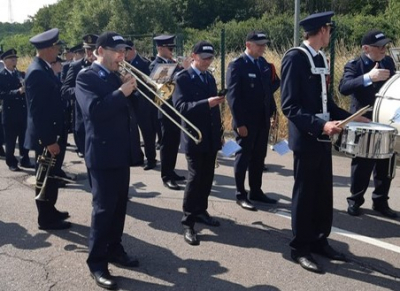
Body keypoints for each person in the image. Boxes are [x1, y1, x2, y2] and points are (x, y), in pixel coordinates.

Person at [280, 11, 369, 274]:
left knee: (322, 194)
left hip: (322, 138)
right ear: (322, 30)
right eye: (329, 29)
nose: (330, 34)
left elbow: (325, 103)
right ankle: (300, 249)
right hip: (307, 138)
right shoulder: (295, 58)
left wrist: (351, 117)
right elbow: (289, 105)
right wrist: (321, 125)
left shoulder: (320, 58)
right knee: (305, 195)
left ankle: (320, 240)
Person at [75, 31, 142, 290]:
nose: (121, 56)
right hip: (102, 154)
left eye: (124, 51)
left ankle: (115, 248)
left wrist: (132, 90)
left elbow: (131, 110)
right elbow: (94, 111)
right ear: (100, 51)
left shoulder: (116, 76)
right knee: (103, 210)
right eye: (117, 51)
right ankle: (97, 263)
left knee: (118, 207)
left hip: (120, 151)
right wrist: (122, 92)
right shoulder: (86, 77)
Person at [339, 29, 397, 219]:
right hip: (364, 120)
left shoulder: (388, 61)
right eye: (379, 47)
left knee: (386, 161)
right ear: (366, 48)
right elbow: (344, 88)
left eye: (385, 46)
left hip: (385, 119)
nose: (383, 50)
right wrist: (368, 78)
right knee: (362, 163)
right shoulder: (355, 65)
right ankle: (355, 201)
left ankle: (380, 201)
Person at [173, 41, 224, 246]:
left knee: (207, 176)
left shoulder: (209, 77)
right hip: (194, 136)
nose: (207, 62)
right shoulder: (183, 78)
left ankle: (201, 210)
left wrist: (220, 132)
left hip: (210, 136)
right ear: (193, 56)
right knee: (194, 178)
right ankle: (188, 222)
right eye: (204, 58)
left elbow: (216, 110)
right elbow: (180, 107)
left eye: (210, 58)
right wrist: (206, 103)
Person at [226, 31, 280, 211]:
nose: (263, 48)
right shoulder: (237, 65)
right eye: (259, 45)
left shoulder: (263, 64)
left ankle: (255, 191)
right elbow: (233, 97)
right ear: (248, 45)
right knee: (243, 157)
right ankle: (241, 194)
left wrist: (271, 113)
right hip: (246, 122)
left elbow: (269, 90)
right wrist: (240, 123)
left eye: (264, 44)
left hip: (262, 119)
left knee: (259, 157)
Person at [24, 28, 71, 230]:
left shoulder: (43, 67)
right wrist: (49, 140)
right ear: (47, 49)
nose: (58, 50)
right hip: (47, 136)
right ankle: (45, 218)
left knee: (52, 176)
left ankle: (50, 209)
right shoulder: (36, 71)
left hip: (53, 132)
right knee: (45, 176)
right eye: (56, 47)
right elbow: (38, 112)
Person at [149, 35, 188, 190]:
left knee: (174, 143)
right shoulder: (155, 64)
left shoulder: (172, 63)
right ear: (159, 48)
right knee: (166, 143)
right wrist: (183, 70)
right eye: (169, 48)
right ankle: (166, 176)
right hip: (164, 109)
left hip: (175, 108)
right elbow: (160, 82)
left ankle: (171, 171)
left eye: (172, 48)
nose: (172, 51)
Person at [61, 34, 98, 159]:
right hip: (83, 117)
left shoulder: (106, 66)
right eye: (87, 49)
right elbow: (65, 90)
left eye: (92, 49)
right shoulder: (76, 66)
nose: (90, 52)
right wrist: (82, 91)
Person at [125, 40, 157, 170]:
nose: (124, 53)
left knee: (147, 132)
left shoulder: (144, 63)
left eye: (126, 50)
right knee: (131, 133)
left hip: (142, 103)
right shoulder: (122, 64)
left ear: (132, 49)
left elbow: (150, 84)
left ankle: (151, 159)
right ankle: (135, 157)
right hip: (128, 102)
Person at [0, 48, 34, 171]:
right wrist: (17, 92)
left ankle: (25, 159)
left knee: (24, 138)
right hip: (9, 113)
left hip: (22, 111)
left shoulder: (20, 74)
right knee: (10, 140)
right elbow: (2, 94)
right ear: (4, 61)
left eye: (15, 58)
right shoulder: (1, 76)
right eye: (11, 58)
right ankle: (11, 162)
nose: (14, 60)